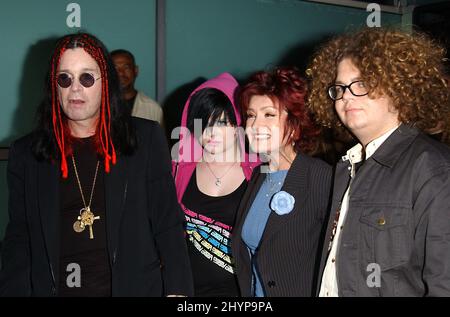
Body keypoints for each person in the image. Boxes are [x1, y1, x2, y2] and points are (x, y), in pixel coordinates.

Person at [0, 33, 193, 297]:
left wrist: (178, 291)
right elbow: (19, 240)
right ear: (54, 86)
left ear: (106, 83)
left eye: (87, 78)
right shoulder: (28, 154)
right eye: (64, 78)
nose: (75, 88)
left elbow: (168, 223)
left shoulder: (144, 139)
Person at [307, 27, 450, 296]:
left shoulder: (434, 169)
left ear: (398, 86)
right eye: (339, 88)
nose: (346, 96)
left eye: (361, 84)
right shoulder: (346, 168)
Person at [231, 67, 332, 297]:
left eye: (268, 114)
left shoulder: (319, 177)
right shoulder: (259, 176)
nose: (255, 125)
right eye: (250, 115)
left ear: (294, 122)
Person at [172, 73, 259, 296]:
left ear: (239, 120)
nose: (209, 133)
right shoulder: (179, 169)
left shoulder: (258, 172)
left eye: (220, 122)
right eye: (203, 123)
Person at [111, 49, 164, 125]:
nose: (121, 73)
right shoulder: (98, 107)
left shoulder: (152, 108)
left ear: (136, 70)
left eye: (126, 67)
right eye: (115, 68)